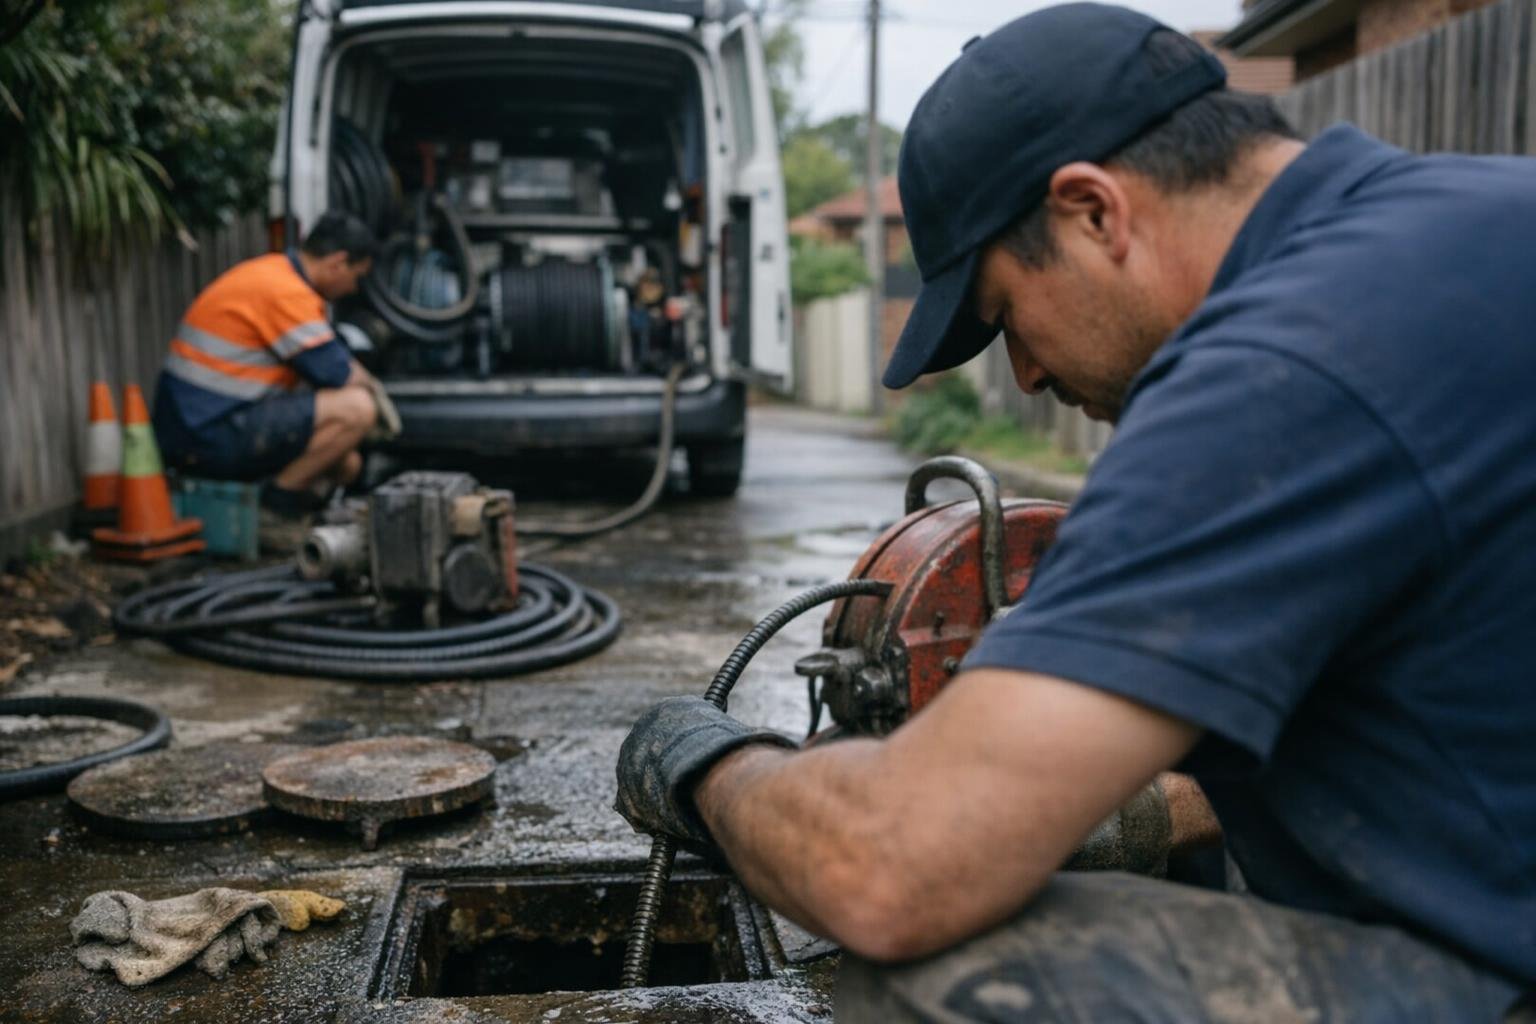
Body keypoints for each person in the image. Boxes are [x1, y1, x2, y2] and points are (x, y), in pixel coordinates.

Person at [614, 6, 1536, 1020]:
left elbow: (888, 865)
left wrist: (705, 767)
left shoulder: (1278, 370)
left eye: (1004, 315)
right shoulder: (1474, 217)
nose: (1025, 372)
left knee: (952, 971)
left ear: (1094, 210)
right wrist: (1133, 816)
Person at [151, 212, 383, 543]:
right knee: (358, 409)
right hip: (205, 432)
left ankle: (295, 512)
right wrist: (373, 388)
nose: (353, 289)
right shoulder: (287, 293)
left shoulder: (272, 274)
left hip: (198, 423)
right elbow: (338, 373)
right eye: (356, 277)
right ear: (337, 263)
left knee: (347, 464)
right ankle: (274, 511)